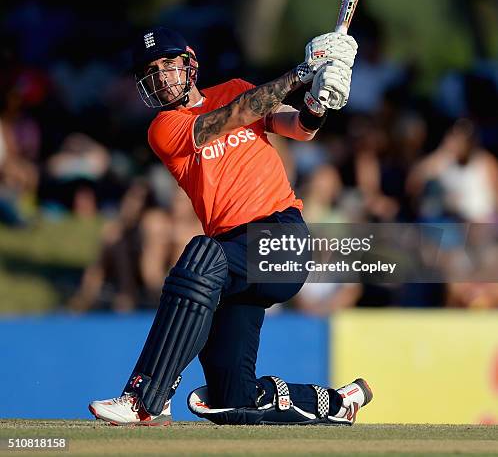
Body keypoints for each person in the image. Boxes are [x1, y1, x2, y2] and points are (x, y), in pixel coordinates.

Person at [89, 26, 372, 426]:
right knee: (229, 399)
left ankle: (145, 395)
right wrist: (302, 72)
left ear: (190, 64)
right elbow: (236, 115)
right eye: (152, 70)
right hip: (231, 264)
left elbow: (301, 129)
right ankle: (337, 401)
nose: (162, 75)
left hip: (281, 240)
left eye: (169, 64)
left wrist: (318, 100)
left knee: (201, 253)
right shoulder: (164, 129)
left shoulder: (234, 88)